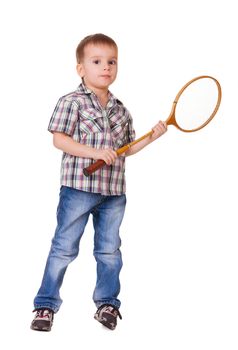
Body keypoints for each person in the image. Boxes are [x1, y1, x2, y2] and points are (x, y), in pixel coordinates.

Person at [31, 33, 167, 332]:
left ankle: (107, 304)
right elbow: (59, 139)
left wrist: (151, 138)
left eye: (111, 61)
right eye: (97, 61)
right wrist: (94, 152)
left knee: (109, 251)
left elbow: (126, 150)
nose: (105, 67)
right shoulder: (71, 102)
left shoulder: (121, 109)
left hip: (114, 193)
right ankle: (44, 305)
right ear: (81, 68)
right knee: (64, 248)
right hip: (78, 188)